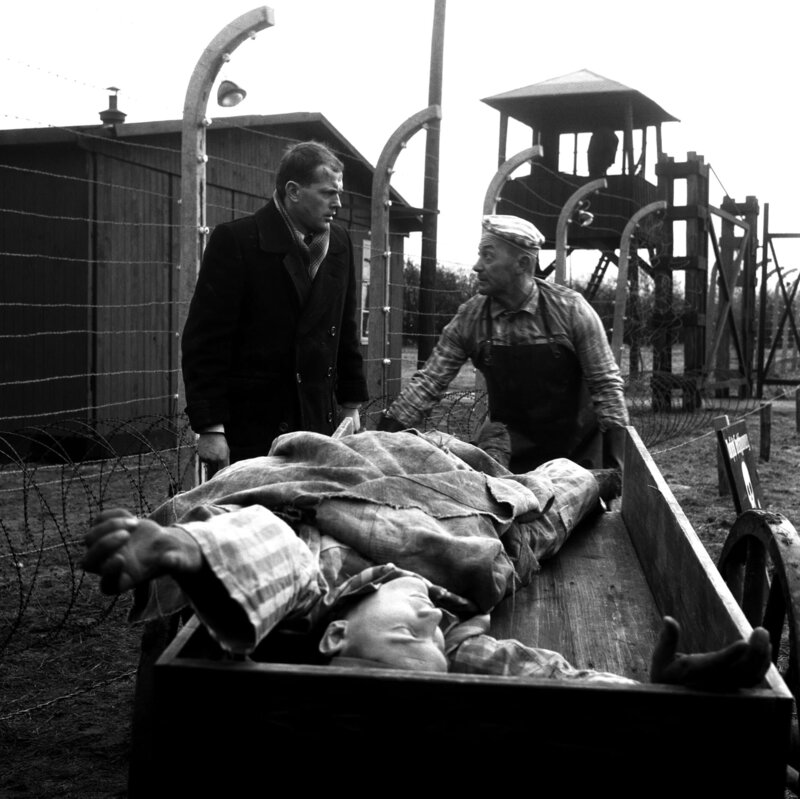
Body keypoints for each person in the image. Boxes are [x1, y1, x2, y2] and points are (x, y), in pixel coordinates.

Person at [82, 429, 769, 690]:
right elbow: (537, 674)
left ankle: (185, 545)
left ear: (338, 635)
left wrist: (189, 550)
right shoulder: (447, 628)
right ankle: (593, 476)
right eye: (432, 645)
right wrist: (649, 695)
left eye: (405, 635)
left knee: (257, 528)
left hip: (370, 480)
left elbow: (273, 545)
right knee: (556, 490)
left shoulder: (323, 588)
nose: (426, 628)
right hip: (488, 525)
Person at [378, 215, 629, 473]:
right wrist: (381, 439)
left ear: (522, 263)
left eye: (488, 256)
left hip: (578, 459)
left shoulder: (571, 310)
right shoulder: (471, 318)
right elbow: (428, 383)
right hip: (509, 460)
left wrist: (615, 467)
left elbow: (606, 386)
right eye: (479, 255)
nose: (476, 266)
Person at [181, 140, 368, 475]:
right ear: (293, 191)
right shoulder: (237, 242)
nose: (337, 203)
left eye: (338, 192)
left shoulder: (339, 243)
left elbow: (345, 327)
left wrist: (351, 405)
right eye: (327, 193)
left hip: (317, 424)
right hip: (255, 431)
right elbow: (205, 341)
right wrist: (211, 427)